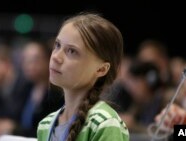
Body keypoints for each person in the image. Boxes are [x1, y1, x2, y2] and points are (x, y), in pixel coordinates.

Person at [37, 13, 129, 141]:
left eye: (71, 51)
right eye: (57, 45)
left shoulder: (105, 124)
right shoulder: (45, 125)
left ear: (101, 69)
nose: (56, 57)